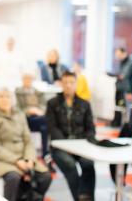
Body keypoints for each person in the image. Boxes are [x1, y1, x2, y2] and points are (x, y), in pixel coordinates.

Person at [0, 88, 52, 201]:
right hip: (3, 159)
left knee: (45, 176)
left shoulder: (20, 115)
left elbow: (28, 140)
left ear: (12, 100)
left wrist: (29, 159)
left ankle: (28, 198)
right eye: (1, 97)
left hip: (24, 157)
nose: (5, 100)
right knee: (13, 177)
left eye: (7, 97)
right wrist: (17, 160)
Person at [46, 71, 96, 201]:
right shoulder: (52, 104)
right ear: (61, 84)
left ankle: (88, 198)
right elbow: (52, 128)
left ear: (76, 84)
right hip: (60, 147)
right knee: (70, 165)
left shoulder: (85, 104)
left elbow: (90, 128)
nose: (68, 85)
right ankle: (79, 198)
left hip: (81, 146)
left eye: (71, 82)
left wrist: (90, 144)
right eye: (65, 82)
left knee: (88, 164)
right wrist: (66, 145)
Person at [15, 72, 49, 158]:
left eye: (30, 78)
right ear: (22, 80)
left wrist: (39, 111)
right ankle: (43, 154)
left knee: (44, 127)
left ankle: (45, 154)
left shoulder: (38, 92)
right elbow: (16, 109)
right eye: (26, 78)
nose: (28, 81)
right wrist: (29, 110)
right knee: (46, 121)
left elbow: (44, 106)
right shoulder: (18, 93)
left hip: (39, 118)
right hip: (25, 119)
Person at [110, 47, 132, 127]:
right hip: (119, 88)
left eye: (119, 55)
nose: (118, 57)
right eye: (117, 55)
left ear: (124, 53)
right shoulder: (122, 62)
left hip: (126, 90)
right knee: (118, 107)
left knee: (125, 108)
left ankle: (125, 125)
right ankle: (116, 123)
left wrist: (114, 75)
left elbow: (123, 75)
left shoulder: (130, 62)